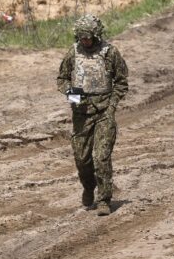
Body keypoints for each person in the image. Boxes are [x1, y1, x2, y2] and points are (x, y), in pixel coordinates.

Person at [57, 14, 128, 216]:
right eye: (82, 38)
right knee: (82, 159)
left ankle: (104, 199)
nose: (85, 41)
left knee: (101, 157)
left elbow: (121, 82)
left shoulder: (109, 53)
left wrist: (112, 105)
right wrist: (74, 97)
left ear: (96, 36)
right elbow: (62, 79)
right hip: (81, 113)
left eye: (88, 37)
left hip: (104, 110)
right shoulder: (73, 53)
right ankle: (88, 187)